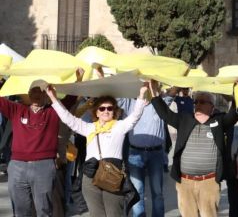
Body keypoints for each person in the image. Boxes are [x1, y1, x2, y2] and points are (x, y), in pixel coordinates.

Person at [46, 82, 149, 217]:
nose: (106, 111)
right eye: (102, 108)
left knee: (114, 214)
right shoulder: (90, 128)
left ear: (114, 111)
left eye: (109, 108)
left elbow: (135, 116)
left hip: (113, 176)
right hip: (90, 178)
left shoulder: (120, 126)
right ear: (96, 112)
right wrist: (53, 98)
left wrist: (141, 95)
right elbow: (67, 118)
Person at [151, 84, 238, 217]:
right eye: (196, 101)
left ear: (212, 107)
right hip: (185, 183)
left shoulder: (219, 121)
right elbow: (165, 114)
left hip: (209, 182)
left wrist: (237, 93)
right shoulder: (184, 119)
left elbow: (234, 114)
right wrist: (154, 94)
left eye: (202, 102)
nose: (197, 104)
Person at [0, 74, 79, 216]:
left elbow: (70, 99)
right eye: (34, 91)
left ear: (46, 95)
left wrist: (78, 81)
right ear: (29, 94)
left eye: (40, 91)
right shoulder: (17, 109)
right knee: (20, 211)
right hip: (17, 166)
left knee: (44, 210)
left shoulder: (53, 111)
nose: (37, 94)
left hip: (44, 167)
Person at [118, 92, 171, 217]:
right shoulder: (129, 102)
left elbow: (173, 92)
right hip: (135, 154)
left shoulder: (159, 103)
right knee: (137, 193)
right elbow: (116, 94)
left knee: (157, 193)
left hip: (156, 154)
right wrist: (101, 74)